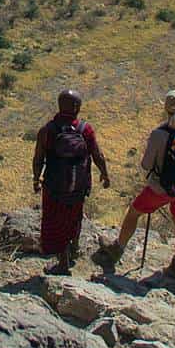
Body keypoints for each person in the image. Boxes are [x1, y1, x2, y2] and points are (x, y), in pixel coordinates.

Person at [96, 90, 175, 280]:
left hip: (160, 189)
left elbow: (146, 164)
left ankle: (117, 250)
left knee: (134, 212)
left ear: (165, 108)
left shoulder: (158, 134)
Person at [33, 89, 110, 275]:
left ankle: (62, 261)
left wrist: (36, 178)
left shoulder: (47, 130)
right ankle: (74, 248)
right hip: (78, 185)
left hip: (54, 187)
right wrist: (105, 174)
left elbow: (38, 158)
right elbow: (98, 155)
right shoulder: (85, 129)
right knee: (74, 218)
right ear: (77, 107)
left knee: (54, 221)